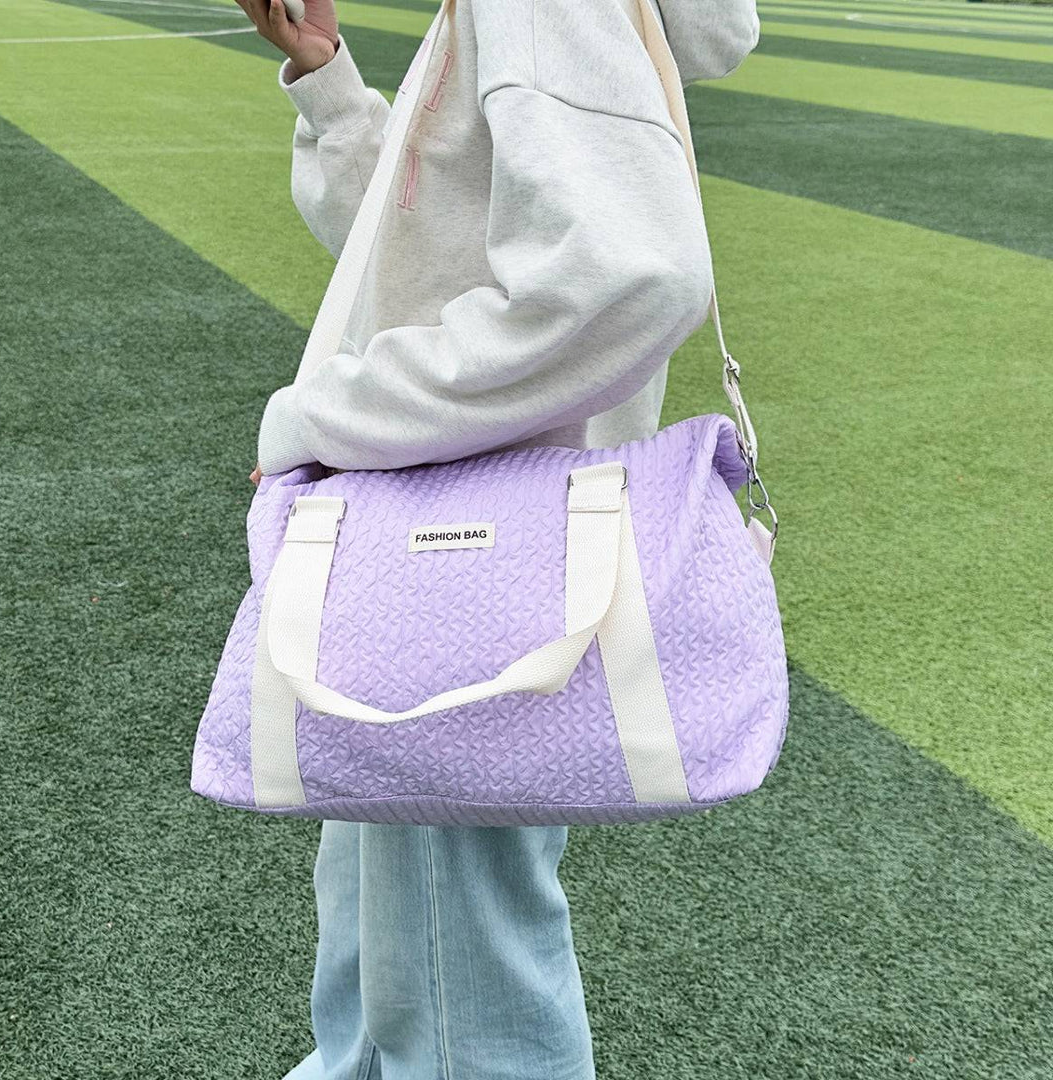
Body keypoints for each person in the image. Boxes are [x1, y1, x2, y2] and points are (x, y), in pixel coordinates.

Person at [235, 0, 760, 1076]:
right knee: (403, 933)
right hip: (477, 544)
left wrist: (321, 420)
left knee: (455, 973)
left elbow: (628, 276)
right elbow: (430, 257)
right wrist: (331, 86)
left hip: (463, 547)